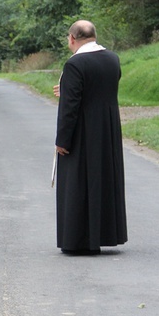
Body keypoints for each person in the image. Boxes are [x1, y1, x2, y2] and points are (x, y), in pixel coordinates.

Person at [54, 20, 127, 255]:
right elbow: (98, 89)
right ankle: (106, 233)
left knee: (79, 181)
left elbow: (71, 106)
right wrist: (66, 88)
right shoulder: (112, 59)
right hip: (107, 130)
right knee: (104, 179)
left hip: (83, 131)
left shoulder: (76, 63)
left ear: (73, 39)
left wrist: (63, 140)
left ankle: (79, 239)